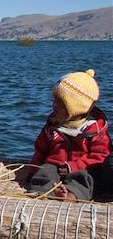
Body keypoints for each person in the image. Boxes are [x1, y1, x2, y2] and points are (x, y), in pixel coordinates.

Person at [27, 69, 111, 201]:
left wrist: (73, 166)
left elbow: (100, 157)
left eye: (61, 103)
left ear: (77, 108)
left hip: (82, 168)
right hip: (55, 165)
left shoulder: (94, 130)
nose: (54, 105)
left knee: (85, 178)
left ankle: (70, 195)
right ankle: (44, 192)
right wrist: (32, 171)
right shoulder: (52, 126)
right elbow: (40, 150)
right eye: (55, 99)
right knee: (45, 171)